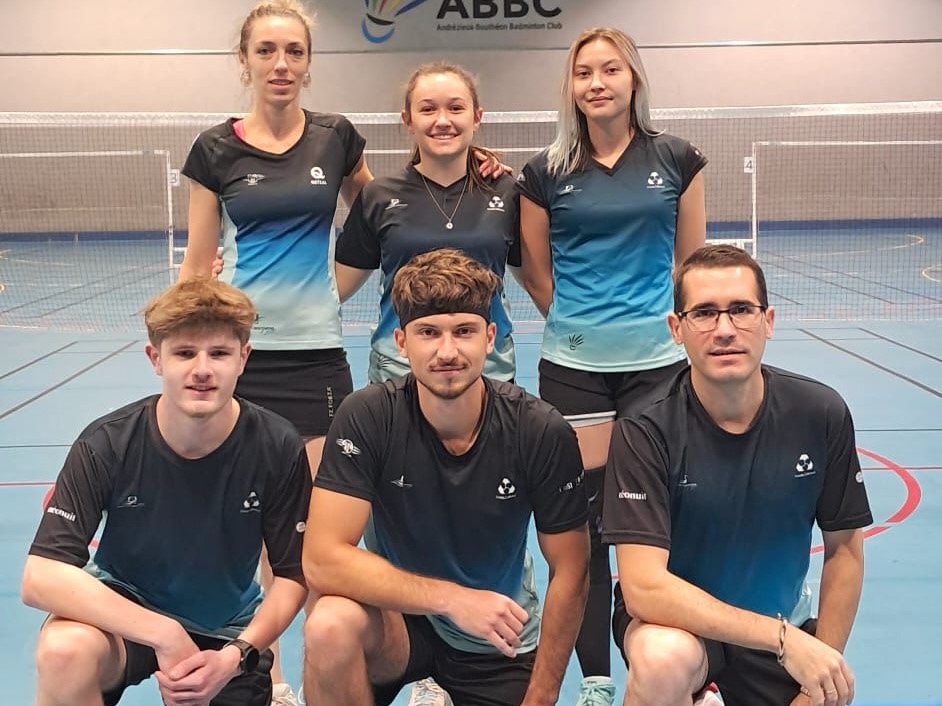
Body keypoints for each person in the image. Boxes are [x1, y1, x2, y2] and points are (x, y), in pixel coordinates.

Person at [178, 2, 369, 698]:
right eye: (266, 51)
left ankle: (322, 673)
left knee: (324, 533)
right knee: (258, 529)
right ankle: (273, 676)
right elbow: (198, 263)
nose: (281, 64)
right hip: (244, 359)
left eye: (294, 51)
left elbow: (380, 217)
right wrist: (187, 351)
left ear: (309, 62)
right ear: (246, 61)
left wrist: (330, 294)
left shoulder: (336, 138)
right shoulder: (214, 150)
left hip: (317, 358)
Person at [301, 248, 590, 706]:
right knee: (329, 623)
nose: (447, 351)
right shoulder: (368, 416)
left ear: (490, 338)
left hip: (495, 633)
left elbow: (571, 569)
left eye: (464, 331)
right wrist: (453, 599)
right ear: (401, 342)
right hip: (399, 622)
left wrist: (541, 696)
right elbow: (321, 559)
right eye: (429, 333)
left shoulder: (538, 429)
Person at [515, 27, 708, 704]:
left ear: (634, 79)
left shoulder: (677, 158)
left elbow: (691, 264)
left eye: (610, 69)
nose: (596, 82)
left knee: (660, 519)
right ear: (570, 88)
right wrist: (581, 329)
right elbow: (535, 270)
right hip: (575, 371)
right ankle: (597, 678)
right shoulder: (545, 171)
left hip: (659, 367)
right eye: (583, 73)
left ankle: (676, 666)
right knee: (588, 527)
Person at [602, 244, 872, 706]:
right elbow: (644, 588)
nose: (725, 329)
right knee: (661, 659)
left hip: (781, 622)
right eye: (704, 313)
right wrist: (783, 639)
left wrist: (817, 676)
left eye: (742, 310)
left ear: (768, 321)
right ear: (676, 329)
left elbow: (845, 550)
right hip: (682, 629)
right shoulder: (645, 429)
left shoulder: (819, 413)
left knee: (833, 693)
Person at [21, 278, 311, 706]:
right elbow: (41, 575)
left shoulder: (277, 445)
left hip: (225, 631)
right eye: (185, 353)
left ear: (243, 358)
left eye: (219, 353)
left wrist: (238, 654)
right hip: (126, 612)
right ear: (155, 358)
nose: (202, 369)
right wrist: (164, 633)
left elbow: (290, 576)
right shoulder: (107, 443)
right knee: (65, 651)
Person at [335, 61, 519, 385]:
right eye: (428, 109)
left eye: (456, 108)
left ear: (477, 117)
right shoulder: (379, 196)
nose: (442, 120)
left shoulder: (508, 193)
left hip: (488, 374)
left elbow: (539, 280)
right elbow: (334, 287)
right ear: (408, 120)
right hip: (398, 373)